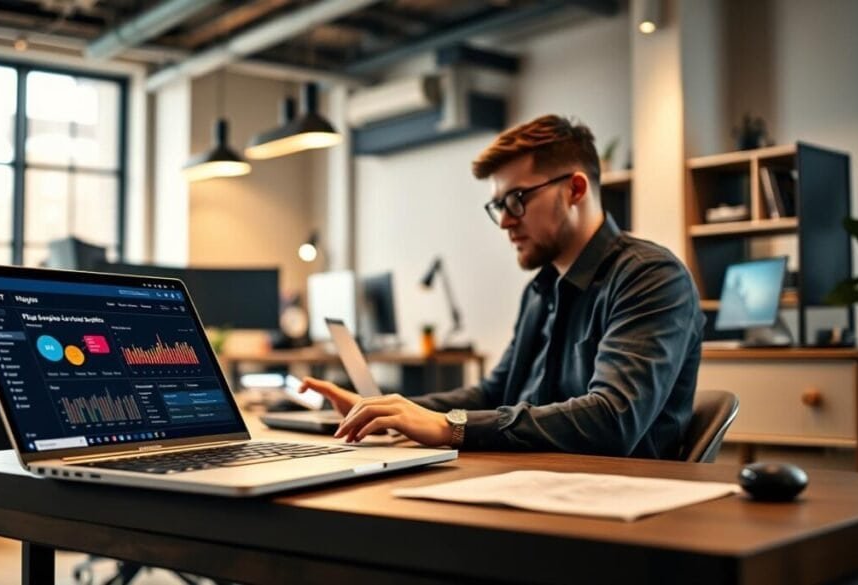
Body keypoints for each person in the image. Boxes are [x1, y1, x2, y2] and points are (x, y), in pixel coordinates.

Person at [301, 114, 705, 457]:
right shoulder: (540, 290)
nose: (507, 221)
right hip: (538, 483)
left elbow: (613, 418)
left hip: (620, 505)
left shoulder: (649, 277)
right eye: (499, 206)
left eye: (517, 199)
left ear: (575, 189)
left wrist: (450, 426)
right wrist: (391, 410)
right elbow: (495, 394)